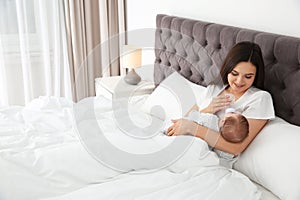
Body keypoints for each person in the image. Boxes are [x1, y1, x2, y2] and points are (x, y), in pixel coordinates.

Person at [166, 41, 275, 159]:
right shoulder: (214, 88)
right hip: (186, 144)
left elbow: (236, 148)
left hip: (209, 157)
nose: (239, 81)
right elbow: (185, 119)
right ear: (228, 68)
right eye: (234, 73)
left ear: (256, 76)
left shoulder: (259, 98)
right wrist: (208, 109)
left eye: (248, 76)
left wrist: (193, 128)